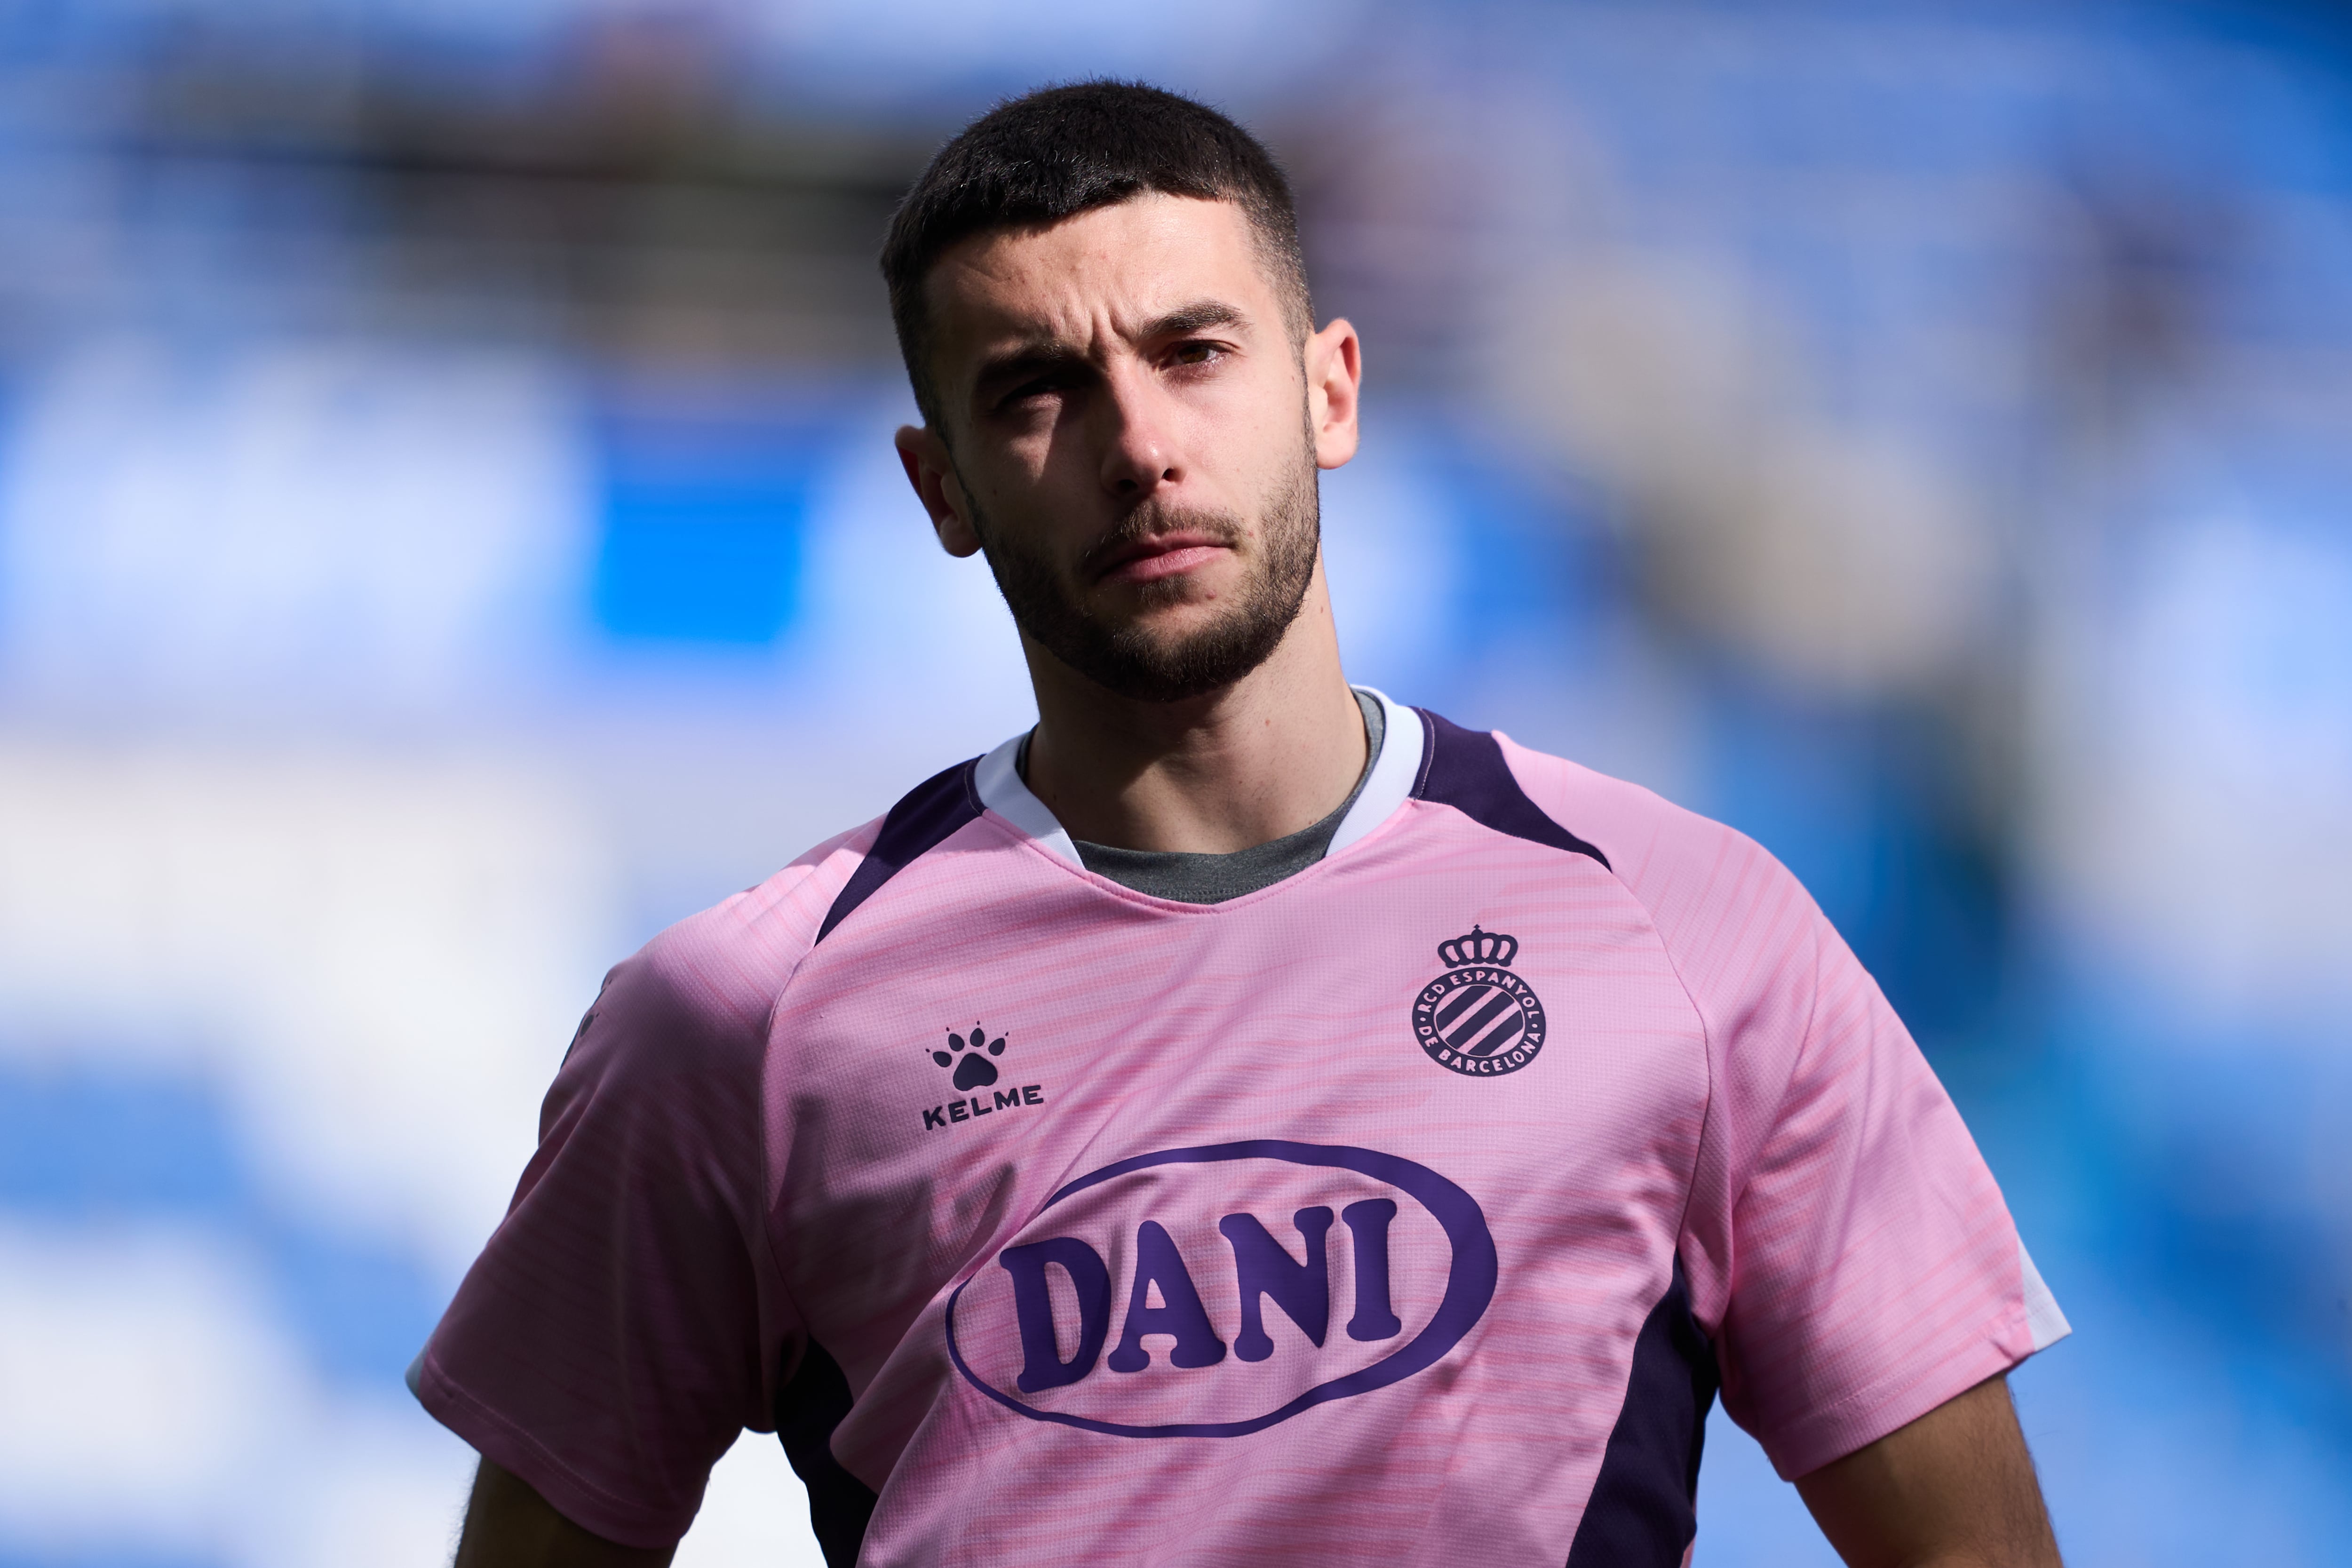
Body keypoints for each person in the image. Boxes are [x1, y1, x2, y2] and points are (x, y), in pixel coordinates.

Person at [415, 80, 2070, 1568]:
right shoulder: (742, 1022)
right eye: (1038, 391)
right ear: (942, 491)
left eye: (1194, 353)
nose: (1142, 446)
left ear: (1329, 389)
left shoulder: (1695, 930)